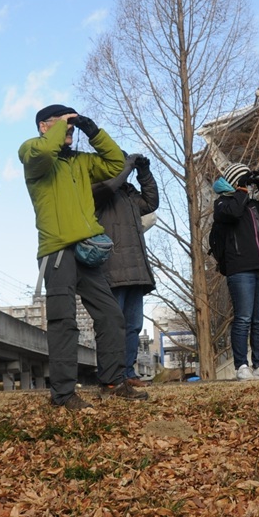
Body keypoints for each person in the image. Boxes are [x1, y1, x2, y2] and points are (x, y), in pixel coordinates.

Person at [19, 105, 147, 410]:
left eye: (72, 127)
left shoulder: (79, 162)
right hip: (57, 251)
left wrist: (94, 132)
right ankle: (62, 395)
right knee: (64, 322)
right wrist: (60, 126)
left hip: (87, 250)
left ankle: (112, 383)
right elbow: (43, 154)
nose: (70, 131)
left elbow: (116, 163)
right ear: (43, 127)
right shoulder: (32, 153)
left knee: (110, 315)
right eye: (64, 125)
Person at [213, 162, 259, 381]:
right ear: (235, 182)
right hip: (240, 269)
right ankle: (241, 366)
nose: (247, 185)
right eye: (243, 180)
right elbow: (234, 212)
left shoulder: (253, 205)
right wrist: (241, 189)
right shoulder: (222, 204)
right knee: (243, 318)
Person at [92, 152, 159, 388]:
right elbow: (108, 188)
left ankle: (128, 373)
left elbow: (151, 203)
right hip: (111, 267)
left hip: (136, 269)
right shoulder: (99, 188)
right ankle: (110, 375)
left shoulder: (128, 193)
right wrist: (126, 167)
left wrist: (144, 172)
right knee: (112, 324)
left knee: (133, 326)